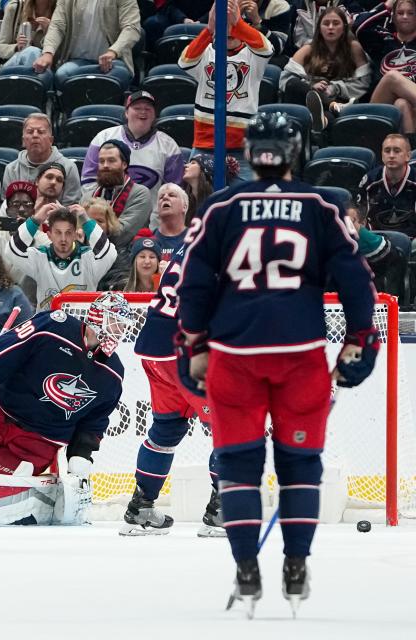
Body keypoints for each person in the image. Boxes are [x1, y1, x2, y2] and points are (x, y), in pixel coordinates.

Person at [175, 112, 379, 614]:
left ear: (250, 154)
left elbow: (192, 283)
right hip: (300, 355)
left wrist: (191, 346)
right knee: (300, 465)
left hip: (234, 357)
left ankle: (246, 568)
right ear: (297, 150)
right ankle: (295, 564)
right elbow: (357, 281)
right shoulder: (321, 204)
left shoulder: (221, 206)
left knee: (239, 468)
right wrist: (360, 341)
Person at [0, 294, 129, 525]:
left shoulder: (113, 373)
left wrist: (81, 456)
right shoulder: (54, 326)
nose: (119, 330)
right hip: (0, 418)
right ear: (98, 316)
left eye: (123, 325)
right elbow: (13, 346)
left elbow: (94, 421)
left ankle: (34, 501)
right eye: (115, 321)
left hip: (35, 443)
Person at [125, 238, 224, 538]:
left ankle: (141, 509)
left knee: (166, 430)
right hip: (184, 350)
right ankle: (222, 513)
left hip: (154, 347)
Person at [179, 0, 273, 181]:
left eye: (233, 28)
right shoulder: (206, 51)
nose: (228, 31)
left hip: (242, 146)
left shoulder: (253, 55)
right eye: (224, 26)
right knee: (199, 201)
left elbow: (267, 48)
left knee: (242, 203)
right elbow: (184, 61)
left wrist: (238, 24)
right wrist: (209, 29)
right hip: (205, 142)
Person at [81, 91, 184, 219]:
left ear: (154, 115)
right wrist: (100, 214)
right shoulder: (103, 138)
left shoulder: (169, 146)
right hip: (104, 217)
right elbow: (88, 181)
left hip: (151, 221)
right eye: (137, 108)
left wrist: (157, 222)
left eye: (148, 108)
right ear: (126, 112)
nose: (143, 112)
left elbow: (174, 190)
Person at [4, 202, 117, 310]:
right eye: (58, 232)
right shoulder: (40, 256)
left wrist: (85, 220)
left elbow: (110, 253)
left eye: (68, 233)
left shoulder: (88, 257)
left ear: (74, 234)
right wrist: (36, 220)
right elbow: (11, 251)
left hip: (82, 327)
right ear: (49, 235)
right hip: (48, 326)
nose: (63, 239)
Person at [281, 6, 371, 133]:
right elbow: (285, 81)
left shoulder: (354, 48)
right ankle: (331, 106)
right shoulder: (308, 49)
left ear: (344, 27)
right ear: (319, 28)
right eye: (326, 23)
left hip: (341, 99)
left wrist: (335, 88)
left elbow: (364, 82)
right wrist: (312, 85)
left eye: (336, 23)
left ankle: (327, 112)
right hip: (308, 101)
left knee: (327, 118)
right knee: (293, 84)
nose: (330, 27)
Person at [31, 0, 141, 90]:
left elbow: (131, 28)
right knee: (61, 75)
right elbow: (57, 26)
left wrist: (113, 52)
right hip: (77, 60)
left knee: (118, 76)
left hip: (113, 61)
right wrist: (48, 53)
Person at [356, 0, 416, 136]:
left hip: (413, 108)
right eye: (400, 13)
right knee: (392, 77)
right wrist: (388, 5)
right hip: (381, 105)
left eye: (410, 13)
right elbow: (359, 26)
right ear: (393, 17)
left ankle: (411, 152)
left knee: (402, 103)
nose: (405, 16)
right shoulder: (382, 41)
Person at [85, 140, 153, 250]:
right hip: (90, 259)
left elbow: (121, 237)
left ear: (124, 164)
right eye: (101, 161)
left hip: (126, 260)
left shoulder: (140, 194)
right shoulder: (88, 196)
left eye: (111, 161)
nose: (105, 165)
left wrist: (86, 230)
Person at [1, 114, 82, 205]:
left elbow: (71, 208)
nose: (35, 135)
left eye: (41, 132)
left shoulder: (69, 167)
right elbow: (8, 206)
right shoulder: (11, 169)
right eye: (30, 131)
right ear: (23, 141)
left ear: (51, 140)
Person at [358, 133, 416, 239]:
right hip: (376, 240)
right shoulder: (370, 180)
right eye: (387, 151)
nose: (391, 155)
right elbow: (360, 219)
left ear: (408, 155)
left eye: (397, 151)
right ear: (382, 155)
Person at [0, 0, 54, 68]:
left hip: (46, 68)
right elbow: (1, 49)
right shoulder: (15, 7)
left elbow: (64, 54)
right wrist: (16, 47)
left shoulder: (61, 10)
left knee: (33, 52)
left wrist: (50, 32)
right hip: (17, 66)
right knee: (31, 52)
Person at [153, 183, 189, 265]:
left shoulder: (195, 240)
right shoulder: (149, 240)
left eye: (172, 195)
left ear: (184, 207)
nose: (165, 197)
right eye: (161, 197)